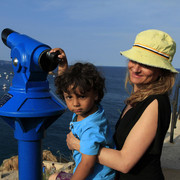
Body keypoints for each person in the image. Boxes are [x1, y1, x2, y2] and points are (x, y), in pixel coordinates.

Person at [65, 29, 178, 179]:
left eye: (146, 64)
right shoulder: (139, 98)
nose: (136, 68)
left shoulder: (155, 102)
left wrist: (78, 144)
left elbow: (124, 162)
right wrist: (63, 70)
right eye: (134, 60)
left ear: (161, 70)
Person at [49, 61, 115, 180]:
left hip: (96, 177)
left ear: (96, 94)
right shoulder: (91, 110)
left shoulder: (92, 127)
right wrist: (63, 66)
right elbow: (66, 86)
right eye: (69, 97)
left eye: (82, 96)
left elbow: (87, 164)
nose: (75, 104)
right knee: (53, 177)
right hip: (94, 175)